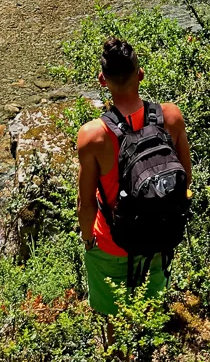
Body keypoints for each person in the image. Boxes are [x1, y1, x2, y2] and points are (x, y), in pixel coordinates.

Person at [76, 37, 192, 318]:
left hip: (112, 243)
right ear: (140, 74)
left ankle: (119, 357)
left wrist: (88, 240)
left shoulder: (92, 136)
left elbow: (86, 204)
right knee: (151, 310)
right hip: (161, 232)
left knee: (114, 316)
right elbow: (186, 178)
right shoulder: (171, 116)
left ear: (102, 80)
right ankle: (147, 353)